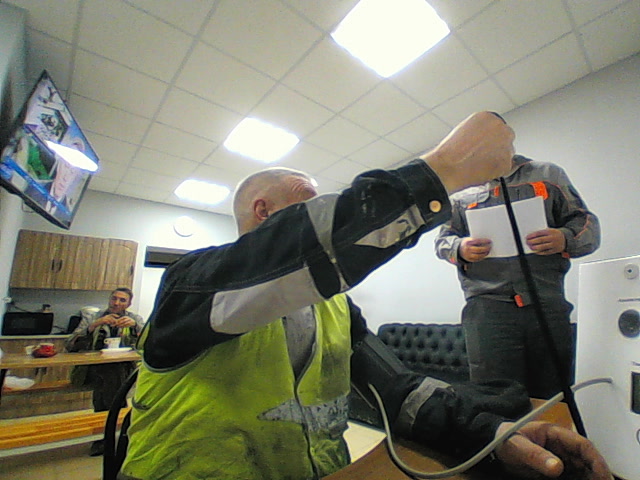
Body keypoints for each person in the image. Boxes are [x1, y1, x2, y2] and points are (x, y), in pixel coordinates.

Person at [120, 112, 611, 480]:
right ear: (264, 212)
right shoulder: (190, 283)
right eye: (308, 203)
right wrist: (444, 168)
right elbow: (300, 245)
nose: (322, 212)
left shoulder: (335, 308)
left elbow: (400, 393)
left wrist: (495, 434)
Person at [434, 151, 600, 399]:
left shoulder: (548, 174)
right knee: (494, 397)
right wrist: (460, 248)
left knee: (554, 393)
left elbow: (589, 228)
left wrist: (564, 238)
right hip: (487, 309)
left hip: (546, 302)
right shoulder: (460, 191)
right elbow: (442, 242)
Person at [65, 287, 145, 456]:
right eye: (114, 298)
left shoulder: (135, 319)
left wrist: (136, 327)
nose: (116, 303)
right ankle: (117, 431)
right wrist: (94, 325)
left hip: (123, 368)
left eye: (122, 300)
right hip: (94, 368)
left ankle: (103, 437)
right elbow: (70, 344)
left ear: (129, 304)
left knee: (111, 379)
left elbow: (147, 342)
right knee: (111, 381)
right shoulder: (94, 317)